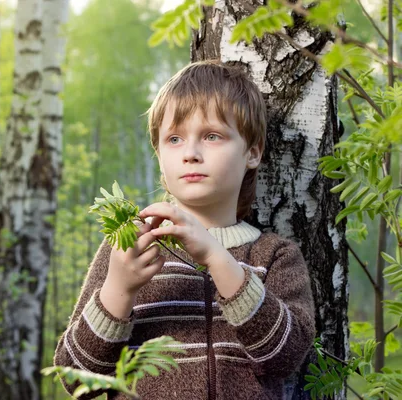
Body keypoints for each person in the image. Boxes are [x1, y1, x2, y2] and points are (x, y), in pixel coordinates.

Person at [53, 60, 316, 399]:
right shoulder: (129, 248)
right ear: (159, 154)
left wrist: (217, 259)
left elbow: (287, 357)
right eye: (174, 138)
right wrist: (119, 288)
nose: (190, 153)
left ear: (252, 152)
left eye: (211, 136)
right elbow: (76, 380)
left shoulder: (275, 256)